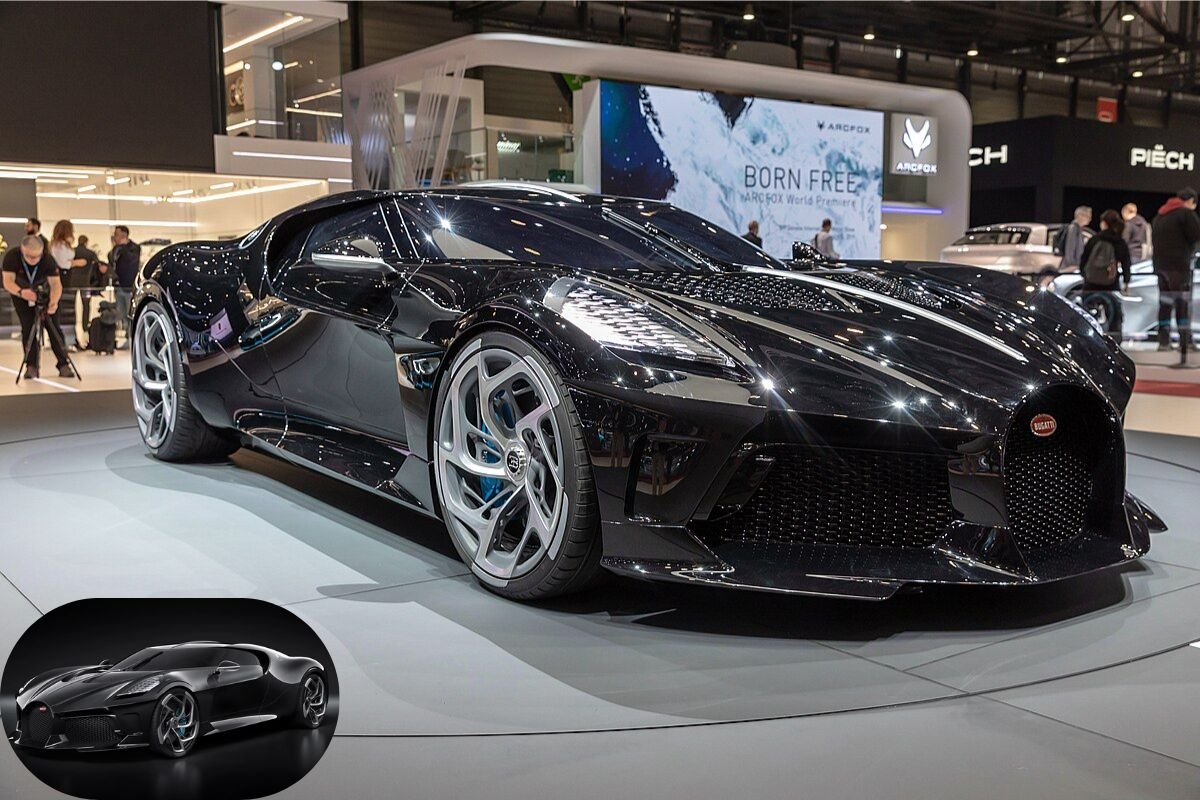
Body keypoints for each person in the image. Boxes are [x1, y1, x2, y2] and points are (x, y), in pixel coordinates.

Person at [1, 235, 74, 379]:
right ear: (22, 250)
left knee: (54, 328)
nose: (32, 260)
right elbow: (7, 282)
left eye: (36, 256)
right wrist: (21, 292)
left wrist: (54, 302)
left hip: (45, 295)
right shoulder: (12, 257)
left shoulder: (48, 260)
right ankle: (31, 365)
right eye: (28, 256)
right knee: (28, 329)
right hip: (21, 295)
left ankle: (63, 364)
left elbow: (56, 284)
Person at [1151, 187, 1200, 351]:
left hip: (1160, 266)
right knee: (1182, 304)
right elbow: (1196, 236)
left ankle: (1163, 341)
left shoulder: (1160, 215)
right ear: (1191, 201)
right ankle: (1185, 341)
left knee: (1165, 303)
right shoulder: (1186, 214)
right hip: (1179, 266)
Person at [1078, 209, 1132, 342]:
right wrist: (1126, 281)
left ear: (1104, 223)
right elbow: (1126, 263)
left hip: (1091, 284)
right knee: (1114, 315)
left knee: (1087, 313)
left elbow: (1083, 260)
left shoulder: (1094, 239)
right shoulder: (1119, 241)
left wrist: (1085, 275)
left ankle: (1086, 340)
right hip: (1111, 284)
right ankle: (1115, 342)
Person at [107, 225, 141, 348]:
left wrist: (123, 247)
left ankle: (131, 338)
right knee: (121, 313)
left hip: (129, 287)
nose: (114, 236)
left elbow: (131, 260)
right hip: (118, 286)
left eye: (116, 234)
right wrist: (116, 247)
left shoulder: (134, 247)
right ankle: (127, 336)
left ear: (123, 235)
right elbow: (111, 259)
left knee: (130, 312)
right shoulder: (116, 248)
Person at [1057, 206, 1092, 273]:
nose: (1090, 219)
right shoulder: (1073, 229)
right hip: (1070, 268)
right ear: (1080, 216)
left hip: (1074, 267)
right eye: (1088, 216)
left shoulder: (1078, 229)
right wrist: (1072, 265)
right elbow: (1069, 249)